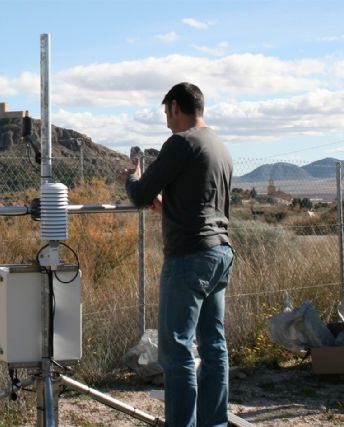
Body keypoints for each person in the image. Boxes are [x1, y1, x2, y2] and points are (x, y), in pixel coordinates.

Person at [120, 83, 234, 426]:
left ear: (174, 107)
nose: (167, 121)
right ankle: (213, 422)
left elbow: (140, 194)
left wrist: (130, 178)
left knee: (177, 350)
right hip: (220, 252)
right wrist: (167, 209)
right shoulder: (219, 146)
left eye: (166, 113)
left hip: (189, 258)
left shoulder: (182, 143)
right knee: (214, 346)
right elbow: (201, 203)